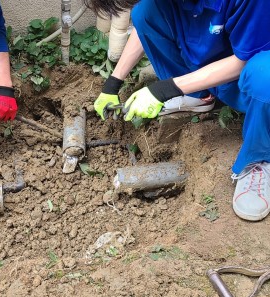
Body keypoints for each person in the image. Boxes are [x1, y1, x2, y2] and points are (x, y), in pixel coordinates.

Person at [86, 0, 270, 221]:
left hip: (255, 76)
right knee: (146, 12)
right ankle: (198, 96)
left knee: (264, 75)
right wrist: (113, 82)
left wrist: (166, 89)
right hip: (222, 70)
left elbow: (246, 59)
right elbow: (147, 21)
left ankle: (259, 159)